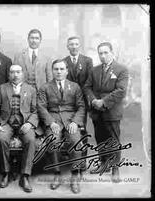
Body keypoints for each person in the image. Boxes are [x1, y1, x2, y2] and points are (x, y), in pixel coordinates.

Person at [37, 59, 85, 194]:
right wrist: (51, 122)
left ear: (67, 71)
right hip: (54, 120)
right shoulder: (45, 87)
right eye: (56, 69)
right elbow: (41, 107)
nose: (59, 72)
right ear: (52, 71)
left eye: (62, 69)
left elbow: (81, 106)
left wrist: (75, 122)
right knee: (53, 141)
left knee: (77, 142)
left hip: (70, 121)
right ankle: (57, 174)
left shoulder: (75, 86)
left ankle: (75, 176)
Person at [83, 42, 129, 183]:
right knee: (100, 138)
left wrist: (103, 101)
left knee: (113, 140)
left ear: (111, 52)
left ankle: (115, 169)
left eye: (105, 53)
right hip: (97, 111)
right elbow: (87, 87)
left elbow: (121, 91)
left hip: (111, 110)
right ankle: (104, 164)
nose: (103, 56)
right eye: (100, 53)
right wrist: (93, 100)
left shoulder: (121, 69)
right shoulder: (94, 70)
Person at [0, 64, 38, 193]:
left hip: (25, 123)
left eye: (18, 72)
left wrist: (30, 124)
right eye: (12, 72)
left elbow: (35, 110)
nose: (15, 75)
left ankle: (25, 176)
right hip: (7, 122)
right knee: (1, 138)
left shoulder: (31, 89)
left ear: (22, 73)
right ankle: (6, 173)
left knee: (31, 140)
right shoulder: (1, 88)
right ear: (8, 74)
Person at [63, 36, 93, 174]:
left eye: (76, 44)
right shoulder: (63, 62)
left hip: (82, 102)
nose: (74, 47)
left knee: (82, 130)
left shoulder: (87, 61)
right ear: (67, 46)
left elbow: (89, 81)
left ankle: (82, 161)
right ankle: (72, 158)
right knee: (69, 129)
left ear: (79, 46)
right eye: (71, 44)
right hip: (67, 101)